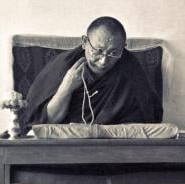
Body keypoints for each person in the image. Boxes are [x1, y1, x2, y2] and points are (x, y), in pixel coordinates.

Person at [23, 16, 163, 134]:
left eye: (114, 53)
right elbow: (47, 122)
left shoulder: (130, 69)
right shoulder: (64, 66)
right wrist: (66, 87)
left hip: (113, 145)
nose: (104, 61)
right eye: (98, 51)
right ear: (84, 42)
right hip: (68, 145)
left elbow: (147, 119)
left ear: (123, 47)